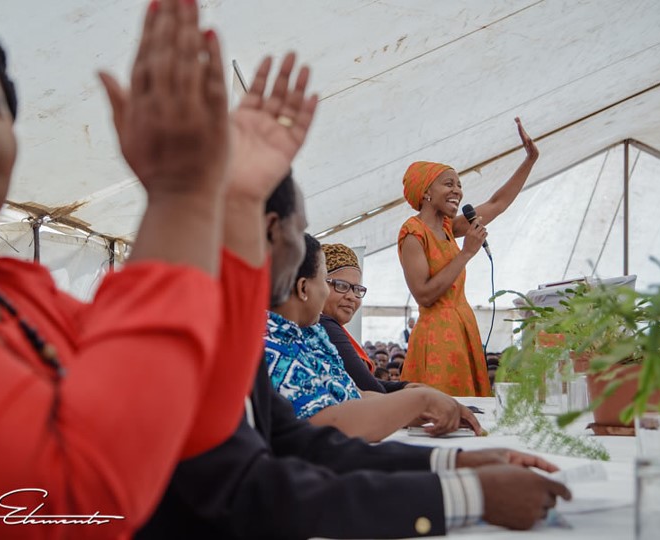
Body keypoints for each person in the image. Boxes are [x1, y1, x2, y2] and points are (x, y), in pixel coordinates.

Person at [0, 2, 316, 537]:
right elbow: (76, 501)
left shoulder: (17, 293)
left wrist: (236, 199)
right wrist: (182, 194)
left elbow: (196, 420)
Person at [138, 175, 572, 540]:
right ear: (273, 233)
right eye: (301, 233)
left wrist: (460, 462)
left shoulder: (233, 335)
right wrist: (469, 496)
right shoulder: (186, 346)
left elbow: (307, 446)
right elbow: (264, 494)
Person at [266, 234, 481, 442]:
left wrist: (418, 406)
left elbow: (355, 393)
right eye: (330, 282)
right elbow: (328, 424)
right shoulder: (275, 346)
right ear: (303, 288)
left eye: (357, 289)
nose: (351, 296)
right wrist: (419, 401)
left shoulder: (309, 333)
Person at [398, 117, 539, 396]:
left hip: (463, 327)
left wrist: (530, 160)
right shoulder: (412, 233)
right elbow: (424, 295)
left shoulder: (449, 227)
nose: (458, 191)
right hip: (437, 336)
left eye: (459, 185)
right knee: (443, 408)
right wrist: (466, 253)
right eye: (448, 184)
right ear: (426, 192)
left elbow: (498, 203)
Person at [319, 243, 409, 393]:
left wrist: (404, 386)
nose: (352, 297)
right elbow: (370, 388)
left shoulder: (325, 326)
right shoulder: (324, 324)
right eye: (341, 286)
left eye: (357, 289)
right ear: (318, 285)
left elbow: (360, 383)